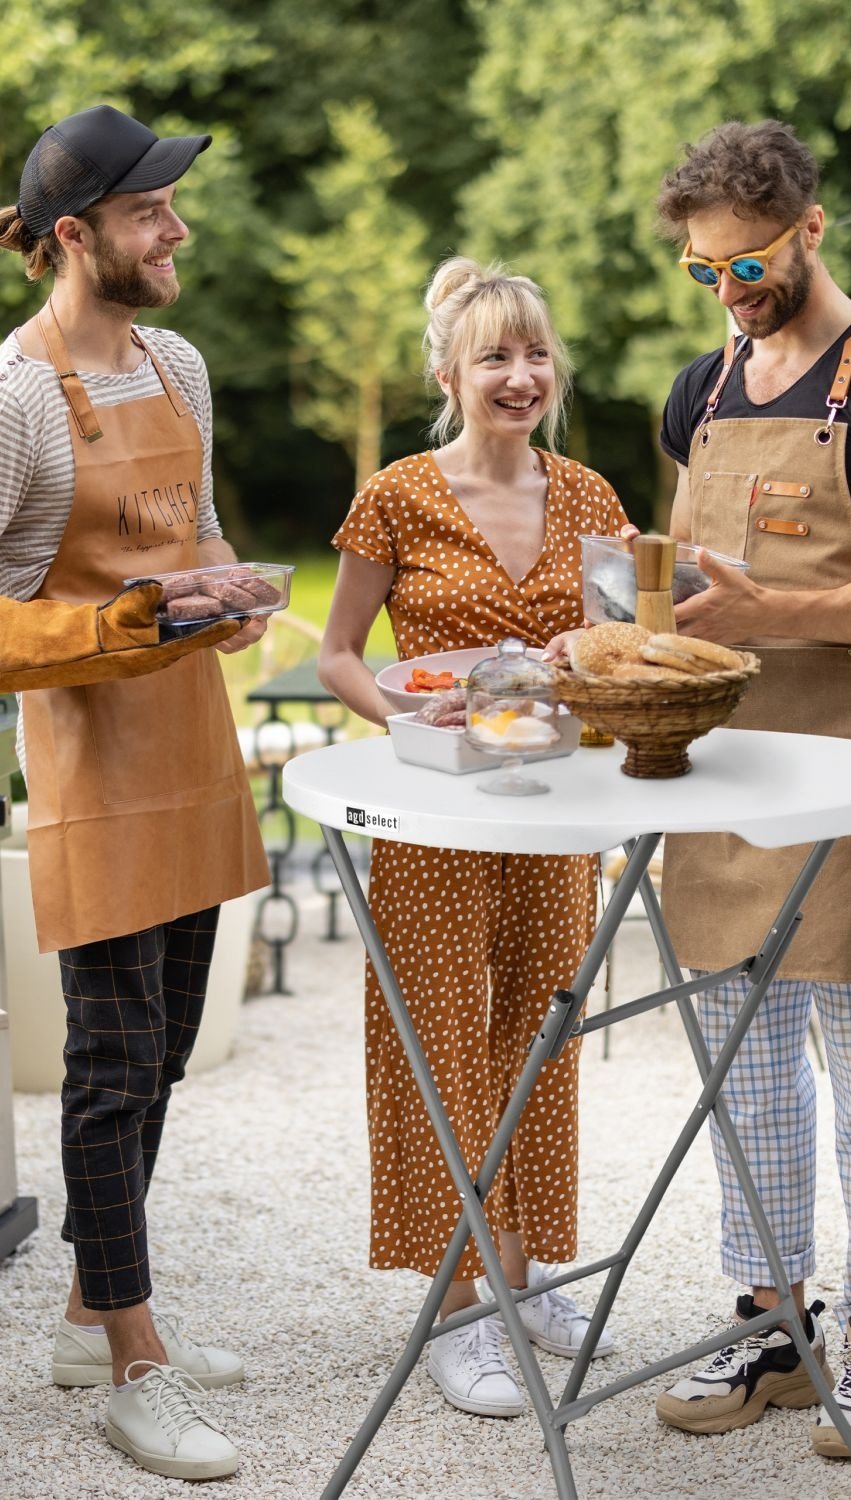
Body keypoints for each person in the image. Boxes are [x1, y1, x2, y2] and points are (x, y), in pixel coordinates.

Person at [0, 107, 269, 1479]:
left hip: (195, 750)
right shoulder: (7, 401)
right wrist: (97, 629)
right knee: (111, 1070)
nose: (179, 230)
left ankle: (84, 1316)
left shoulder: (178, 364)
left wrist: (224, 594)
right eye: (151, 212)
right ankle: (135, 1365)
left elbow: (195, 528)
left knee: (161, 1054)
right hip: (94, 764)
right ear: (75, 234)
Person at [648, 120, 851, 1459]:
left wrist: (768, 611)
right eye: (706, 270)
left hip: (845, 767)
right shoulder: (701, 391)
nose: (730, 291)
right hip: (720, 766)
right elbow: (689, 576)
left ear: (813, 228)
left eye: (752, 264)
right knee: (742, 1065)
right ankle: (774, 1321)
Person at [319, 257, 630, 1418]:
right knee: (437, 1039)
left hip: (556, 807)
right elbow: (340, 655)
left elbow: (618, 648)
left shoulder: (590, 497)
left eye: (536, 352)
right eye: (494, 355)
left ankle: (523, 1271)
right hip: (436, 810)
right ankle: (457, 1304)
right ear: (448, 373)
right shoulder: (396, 495)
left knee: (545, 1031)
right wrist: (403, 711)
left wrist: (597, 650)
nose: (520, 375)